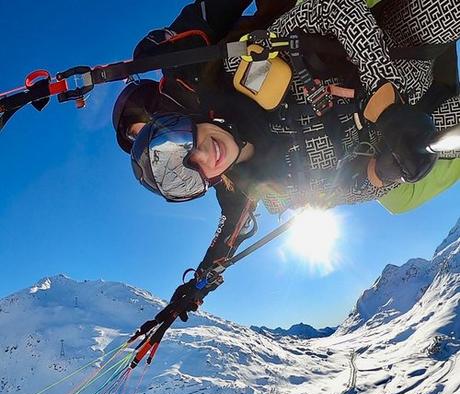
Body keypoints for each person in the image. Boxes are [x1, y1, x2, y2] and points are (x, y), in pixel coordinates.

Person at [113, 0, 460, 316]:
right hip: (420, 122)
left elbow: (330, 11)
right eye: (188, 176)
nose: (203, 156)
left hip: (393, 45)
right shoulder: (279, 186)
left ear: (184, 118)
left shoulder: (242, 70)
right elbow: (342, 190)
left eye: (181, 141)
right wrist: (384, 174)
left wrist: (385, 103)